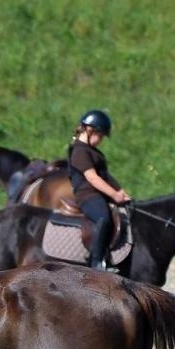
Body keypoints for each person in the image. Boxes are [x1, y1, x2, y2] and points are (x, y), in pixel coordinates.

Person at [66, 110, 132, 271]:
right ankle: (95, 261)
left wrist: (121, 191)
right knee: (103, 217)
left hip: (99, 194)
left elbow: (106, 176)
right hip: (87, 195)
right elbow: (93, 178)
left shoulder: (92, 151)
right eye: (100, 135)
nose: (101, 140)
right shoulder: (79, 151)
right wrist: (114, 194)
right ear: (89, 130)